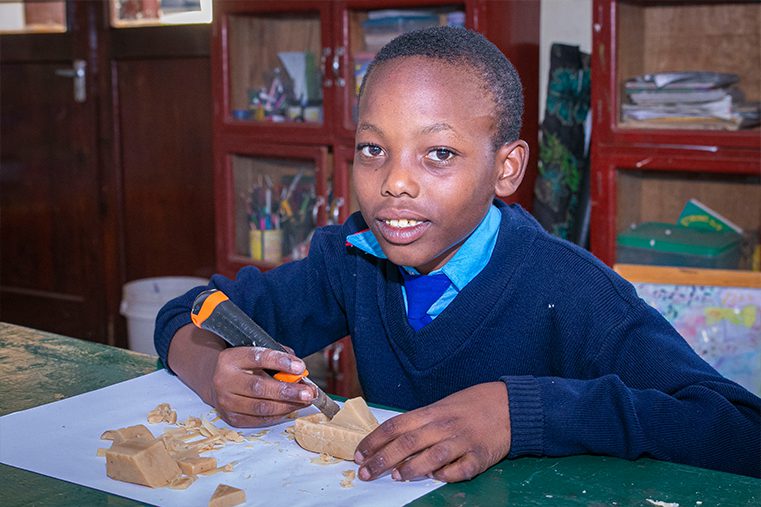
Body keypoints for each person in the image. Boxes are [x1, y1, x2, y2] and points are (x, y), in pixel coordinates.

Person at [155, 26, 760, 482]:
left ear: (506, 168)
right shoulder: (352, 258)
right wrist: (210, 372)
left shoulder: (574, 293)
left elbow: (741, 429)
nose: (395, 182)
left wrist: (520, 413)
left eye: (438, 154)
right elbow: (190, 308)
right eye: (373, 149)